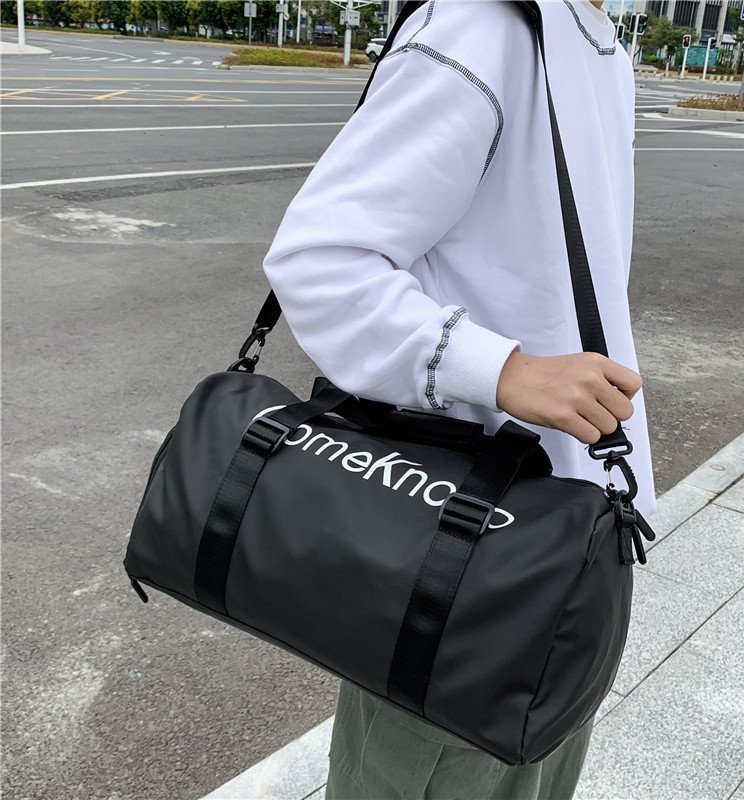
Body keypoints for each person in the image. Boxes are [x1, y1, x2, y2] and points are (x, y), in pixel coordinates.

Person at [263, 0, 656, 797]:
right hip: (463, 554)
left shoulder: (604, 47)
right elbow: (321, 261)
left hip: (571, 542)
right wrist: (504, 371)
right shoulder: (481, 28)